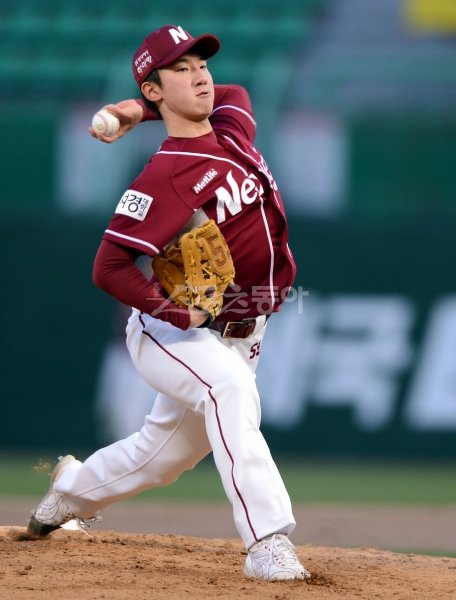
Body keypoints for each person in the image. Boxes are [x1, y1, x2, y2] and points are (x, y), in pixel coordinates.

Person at [27, 24, 310, 582]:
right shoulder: (165, 174)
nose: (200, 74)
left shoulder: (230, 130)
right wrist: (179, 313)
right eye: (180, 69)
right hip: (173, 332)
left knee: (162, 458)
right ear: (157, 87)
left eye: (200, 63)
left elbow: (235, 96)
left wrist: (134, 109)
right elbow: (107, 266)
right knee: (229, 388)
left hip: (247, 328)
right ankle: (267, 542)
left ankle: (70, 492)